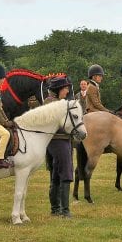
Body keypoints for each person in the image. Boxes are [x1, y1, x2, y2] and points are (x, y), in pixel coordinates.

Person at [45, 76, 74, 217]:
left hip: (62, 140)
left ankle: (55, 209)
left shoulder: (57, 102)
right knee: (66, 173)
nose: (67, 91)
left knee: (56, 174)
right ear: (58, 90)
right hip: (58, 140)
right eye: (65, 88)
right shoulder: (52, 103)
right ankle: (65, 210)